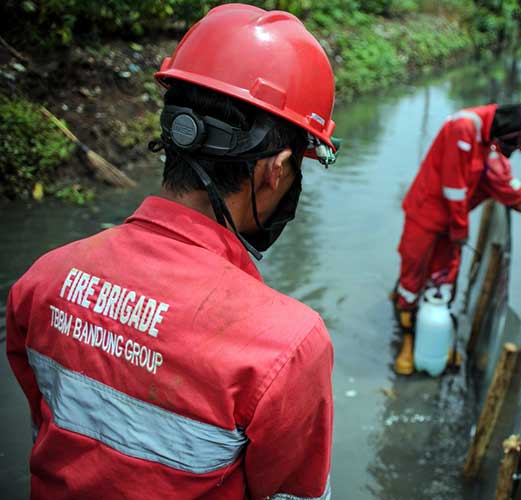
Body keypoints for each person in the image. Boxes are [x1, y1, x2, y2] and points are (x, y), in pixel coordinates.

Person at [5, 6, 337, 499]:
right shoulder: (285, 349)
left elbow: (48, 431)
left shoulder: (43, 282)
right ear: (277, 168)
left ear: (175, 134)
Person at [392, 101, 521, 374]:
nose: (515, 151)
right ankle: (406, 340)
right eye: (519, 144)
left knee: (444, 280)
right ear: (517, 130)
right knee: (412, 276)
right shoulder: (464, 127)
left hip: (453, 228)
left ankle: (433, 340)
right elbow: (453, 187)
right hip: (425, 215)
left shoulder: (492, 152)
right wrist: (461, 230)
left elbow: (518, 197)